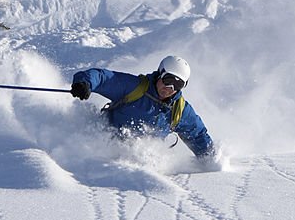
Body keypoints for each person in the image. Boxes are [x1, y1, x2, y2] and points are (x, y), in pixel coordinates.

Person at [71, 55, 216, 160]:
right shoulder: (135, 87)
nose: (170, 88)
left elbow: (198, 135)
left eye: (178, 85)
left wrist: (211, 160)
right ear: (160, 74)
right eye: (168, 80)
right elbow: (102, 77)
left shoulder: (179, 110)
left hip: (137, 165)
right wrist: (85, 84)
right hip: (100, 149)